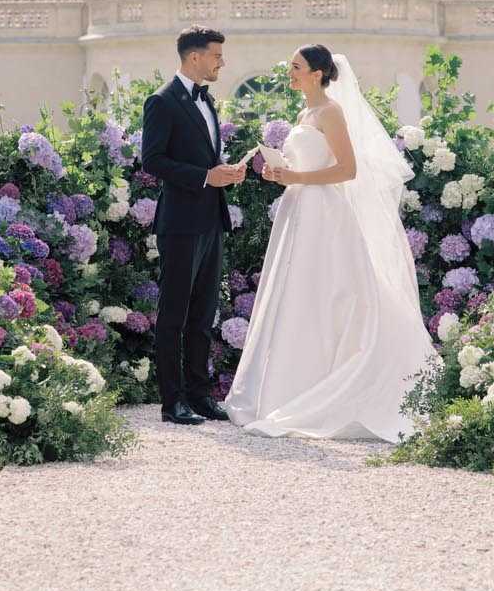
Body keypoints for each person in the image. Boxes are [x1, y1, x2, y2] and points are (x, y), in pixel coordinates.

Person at [222, 45, 434, 441]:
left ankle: (338, 384)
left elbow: (347, 169)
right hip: (299, 210)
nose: (291, 74)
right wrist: (278, 173)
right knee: (298, 296)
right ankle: (293, 387)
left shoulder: (332, 112)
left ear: (318, 73)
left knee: (330, 292)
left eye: (297, 68)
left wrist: (297, 178)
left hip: (325, 213)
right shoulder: (305, 114)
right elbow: (308, 165)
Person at [140, 26, 246, 425]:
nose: (222, 61)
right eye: (217, 54)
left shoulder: (207, 100)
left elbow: (203, 157)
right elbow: (152, 161)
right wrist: (205, 176)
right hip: (180, 223)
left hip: (210, 220)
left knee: (203, 315)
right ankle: (173, 402)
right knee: (174, 316)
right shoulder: (162, 102)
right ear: (195, 56)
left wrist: (222, 174)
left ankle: (201, 395)